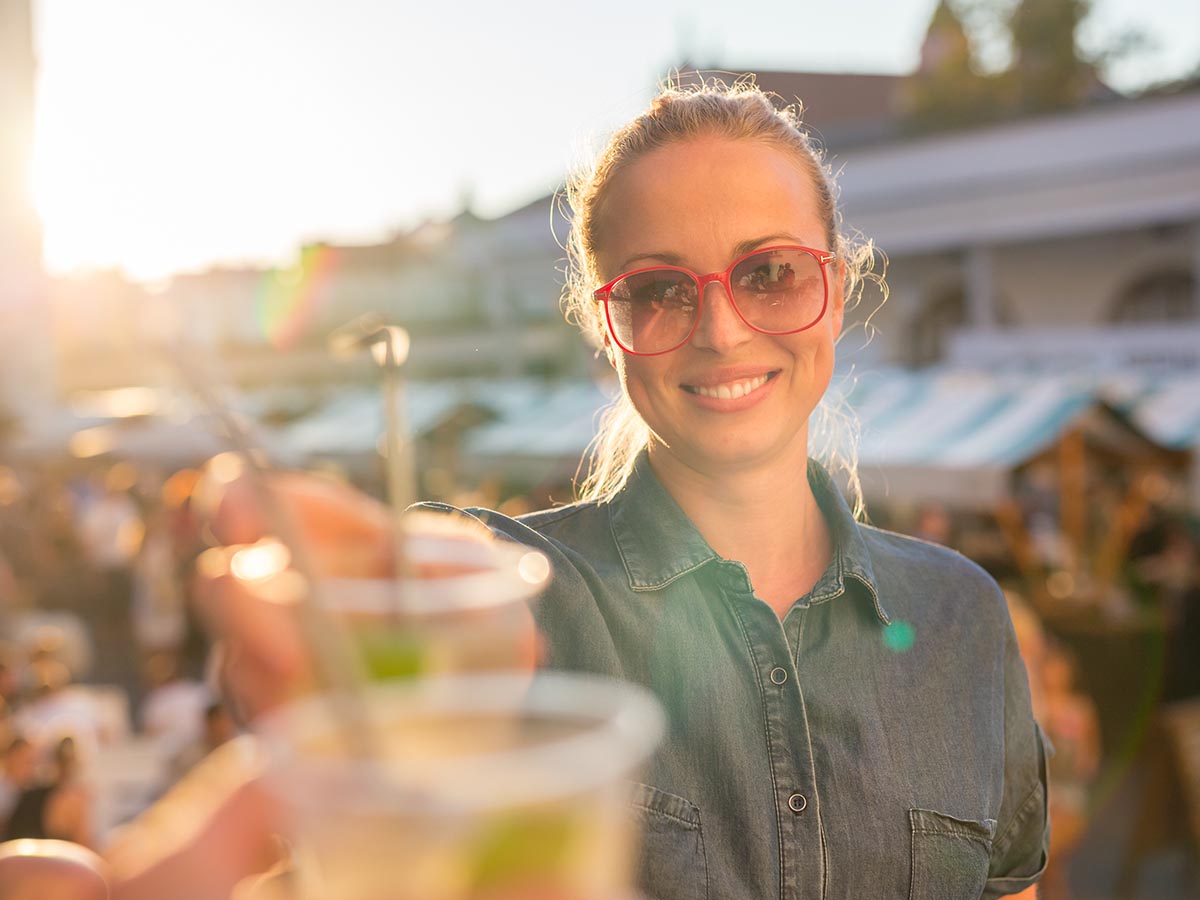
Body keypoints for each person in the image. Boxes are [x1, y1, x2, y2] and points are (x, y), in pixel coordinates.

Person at [4, 79, 1051, 899]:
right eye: (657, 290)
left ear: (836, 288)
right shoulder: (515, 591)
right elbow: (412, 628)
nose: (723, 329)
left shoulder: (961, 618)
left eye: (769, 272)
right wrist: (360, 620)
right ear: (609, 329)